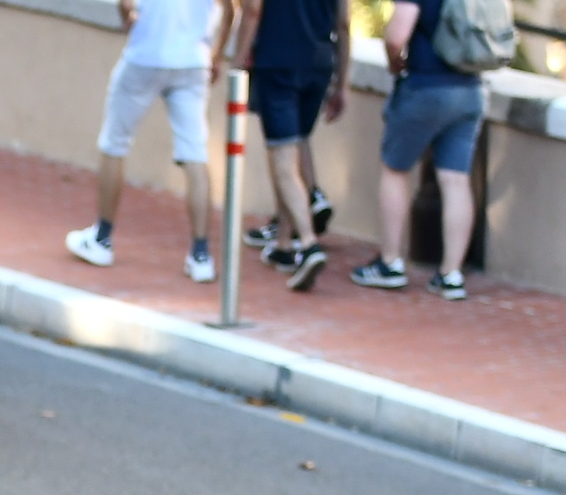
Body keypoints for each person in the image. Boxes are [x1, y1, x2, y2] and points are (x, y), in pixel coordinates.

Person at [64, 0, 236, 282]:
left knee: (114, 143)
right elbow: (231, 10)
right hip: (193, 59)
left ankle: (103, 238)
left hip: (146, 54)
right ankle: (201, 254)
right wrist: (217, 54)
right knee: (195, 153)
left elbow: (125, 4)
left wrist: (128, 16)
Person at [349, 0, 485, 298]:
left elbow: (397, 36)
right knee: (455, 179)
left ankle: (390, 263)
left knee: (395, 170)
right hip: (470, 90)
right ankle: (451, 275)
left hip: (425, 86)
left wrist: (396, 64)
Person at [231, 0, 351, 290]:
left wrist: (237, 60)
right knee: (295, 146)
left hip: (278, 60)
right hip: (319, 63)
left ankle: (308, 243)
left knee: (283, 160)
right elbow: (344, 24)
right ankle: (283, 243)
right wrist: (342, 82)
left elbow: (252, 10)